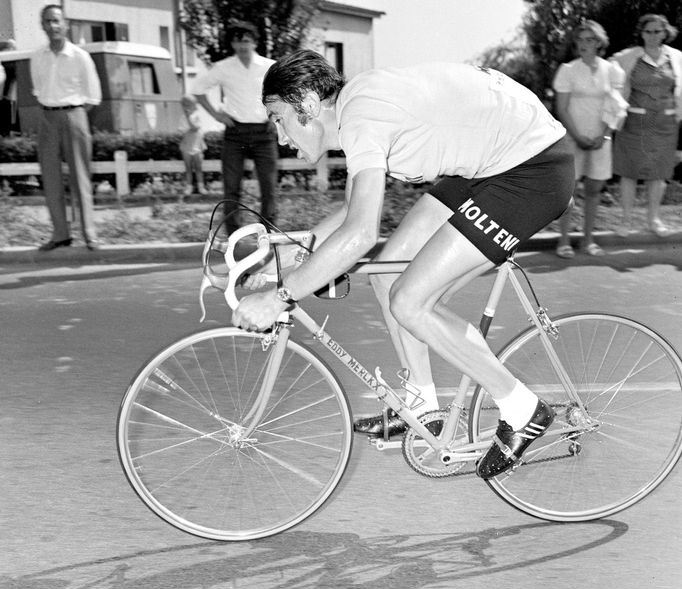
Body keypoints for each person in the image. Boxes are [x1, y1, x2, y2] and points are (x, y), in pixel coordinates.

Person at [230, 51, 574, 479]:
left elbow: (359, 234)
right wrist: (292, 251)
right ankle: (421, 407)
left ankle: (522, 409)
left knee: (411, 300)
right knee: (389, 272)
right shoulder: (357, 109)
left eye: (278, 117)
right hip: (490, 164)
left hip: (533, 170)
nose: (279, 137)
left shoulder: (362, 117)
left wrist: (281, 296)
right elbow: (352, 211)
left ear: (309, 103)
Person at [191, 21, 278, 234]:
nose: (242, 46)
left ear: (254, 42)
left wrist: (275, 115)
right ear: (232, 44)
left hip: (263, 134)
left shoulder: (269, 66)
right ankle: (234, 237)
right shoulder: (223, 67)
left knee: (269, 187)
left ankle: (270, 235)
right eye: (237, 42)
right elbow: (198, 89)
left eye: (246, 41)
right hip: (235, 133)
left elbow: (285, 91)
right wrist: (216, 114)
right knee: (231, 188)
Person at [30, 4, 102, 251]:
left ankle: (89, 233)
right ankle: (60, 234)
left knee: (80, 178)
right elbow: (38, 90)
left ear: (66, 24)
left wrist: (73, 115)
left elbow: (93, 97)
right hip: (47, 118)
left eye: (56, 21)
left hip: (75, 115)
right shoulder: (37, 57)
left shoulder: (80, 57)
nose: (53, 26)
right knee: (50, 179)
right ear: (42, 26)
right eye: (48, 21)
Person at [552, 20, 627, 259]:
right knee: (568, 191)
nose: (584, 44)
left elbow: (615, 106)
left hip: (601, 139)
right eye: (580, 39)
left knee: (594, 190)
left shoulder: (612, 70)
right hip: (574, 137)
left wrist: (604, 135)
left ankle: (588, 241)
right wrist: (577, 136)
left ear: (599, 42)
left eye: (590, 39)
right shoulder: (568, 70)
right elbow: (562, 109)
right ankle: (563, 241)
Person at [611, 13, 682, 237]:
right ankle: (626, 221)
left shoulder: (677, 57)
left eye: (657, 31)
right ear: (641, 33)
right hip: (635, 122)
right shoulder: (628, 57)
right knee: (629, 172)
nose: (652, 36)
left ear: (665, 32)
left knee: (658, 174)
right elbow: (609, 75)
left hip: (665, 123)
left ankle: (653, 219)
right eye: (648, 31)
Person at [179, 94, 207, 196]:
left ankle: (201, 186)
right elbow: (182, 131)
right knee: (188, 168)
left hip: (197, 145)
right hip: (187, 145)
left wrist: (188, 119)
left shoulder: (196, 116)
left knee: (198, 167)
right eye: (185, 105)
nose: (187, 108)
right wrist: (187, 122)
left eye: (191, 105)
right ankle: (189, 187)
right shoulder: (183, 118)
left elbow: (195, 128)